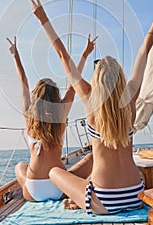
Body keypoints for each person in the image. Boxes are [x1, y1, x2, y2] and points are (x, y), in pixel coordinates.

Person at [29, 0, 153, 214]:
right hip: (135, 194)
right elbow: (145, 52)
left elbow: (63, 56)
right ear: (120, 79)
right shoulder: (130, 103)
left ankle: (79, 199)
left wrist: (43, 18)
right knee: (88, 170)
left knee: (54, 173)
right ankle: (78, 198)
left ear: (97, 81)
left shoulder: (90, 101)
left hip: (104, 200)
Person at [7, 33, 97, 202]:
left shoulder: (29, 116)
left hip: (33, 192)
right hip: (59, 188)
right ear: (56, 98)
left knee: (20, 166)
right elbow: (73, 84)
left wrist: (15, 54)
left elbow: (23, 80)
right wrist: (84, 54)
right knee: (92, 158)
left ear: (36, 96)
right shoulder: (60, 115)